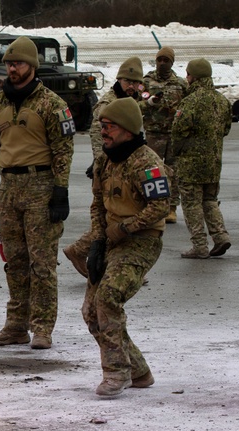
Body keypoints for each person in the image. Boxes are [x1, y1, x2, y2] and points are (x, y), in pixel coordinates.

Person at [0, 36, 75, 350]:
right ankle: (16, 326)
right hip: (9, 188)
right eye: (9, 63)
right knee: (15, 261)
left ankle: (43, 328)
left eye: (18, 63)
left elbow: (63, 150)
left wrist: (60, 189)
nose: (12, 68)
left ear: (31, 66)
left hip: (41, 186)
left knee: (42, 263)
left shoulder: (51, 103)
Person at [82, 97, 170, 397]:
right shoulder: (105, 160)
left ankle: (117, 373)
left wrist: (125, 227)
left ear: (129, 130)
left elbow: (161, 205)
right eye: (102, 126)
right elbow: (97, 204)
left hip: (141, 242)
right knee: (91, 313)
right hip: (110, 240)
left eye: (110, 127)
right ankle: (140, 371)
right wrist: (96, 241)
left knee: (107, 299)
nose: (104, 132)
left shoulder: (147, 162)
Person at [63, 57, 144, 278]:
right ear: (118, 79)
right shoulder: (109, 103)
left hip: (130, 167)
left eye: (136, 82)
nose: (132, 86)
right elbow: (99, 135)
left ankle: (86, 252)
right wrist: (101, 163)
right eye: (128, 81)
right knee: (114, 216)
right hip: (112, 169)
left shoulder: (131, 101)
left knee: (123, 215)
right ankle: (87, 253)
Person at [170, 58, 232, 259]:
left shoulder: (190, 101)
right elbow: (226, 129)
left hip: (191, 163)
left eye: (188, 74)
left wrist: (177, 152)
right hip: (214, 162)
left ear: (193, 76)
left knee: (191, 204)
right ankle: (220, 236)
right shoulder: (222, 100)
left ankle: (199, 245)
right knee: (210, 200)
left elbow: (178, 130)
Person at [140, 47, 188, 223]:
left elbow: (187, 106)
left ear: (172, 62)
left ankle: (171, 208)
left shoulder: (181, 84)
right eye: (159, 60)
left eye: (165, 60)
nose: (162, 64)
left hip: (174, 134)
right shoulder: (146, 81)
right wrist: (150, 102)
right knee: (153, 171)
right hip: (154, 133)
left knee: (173, 172)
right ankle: (153, 205)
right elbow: (138, 101)